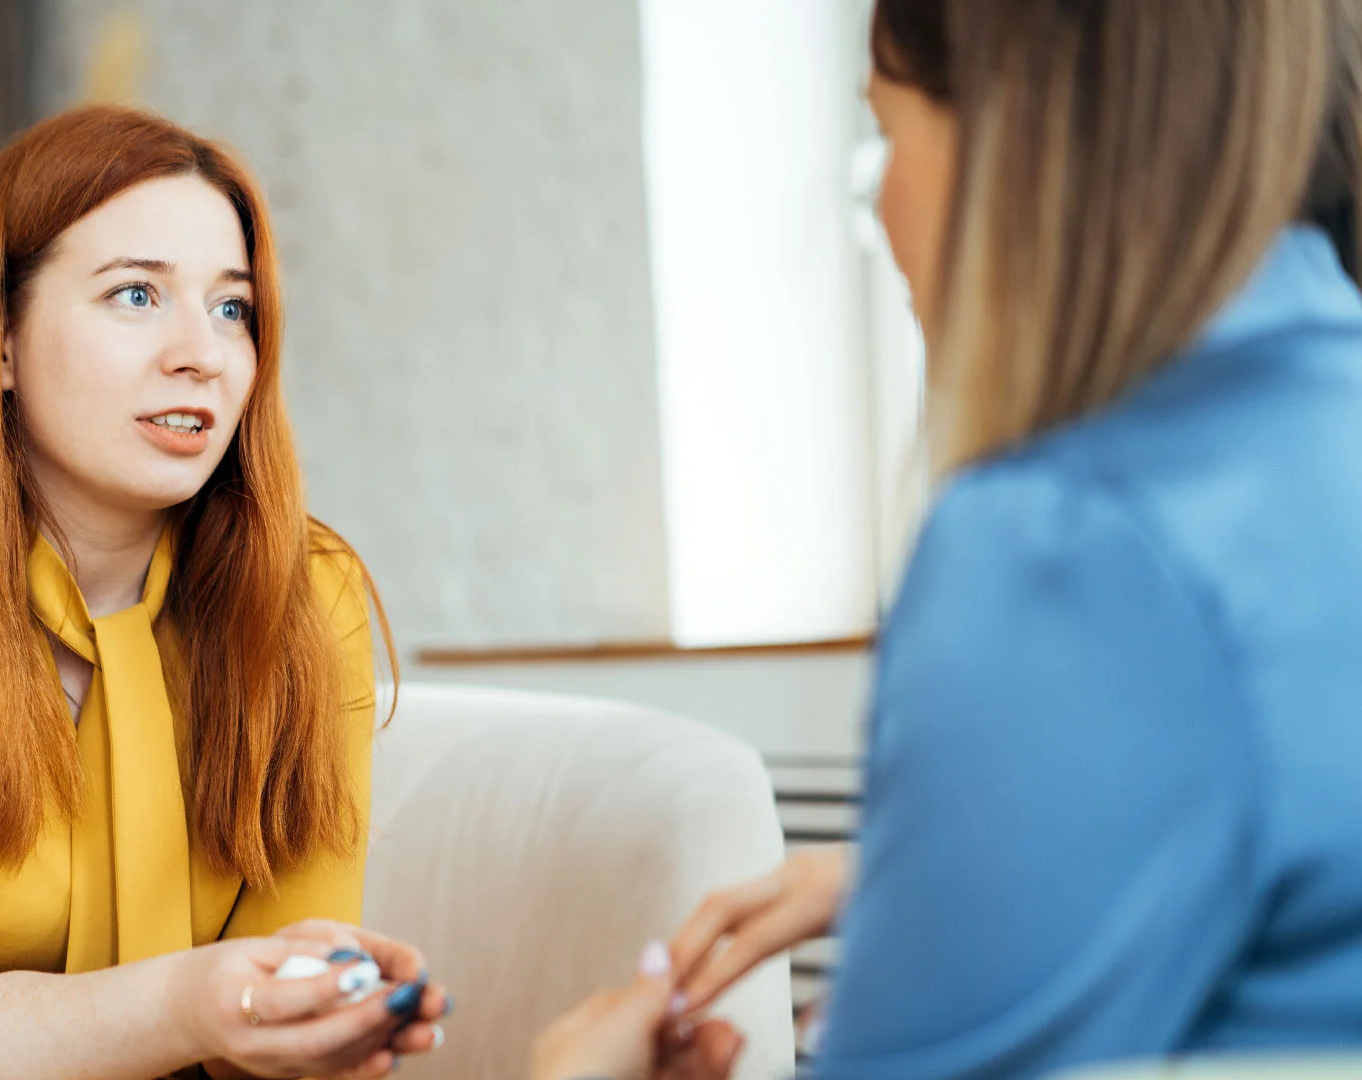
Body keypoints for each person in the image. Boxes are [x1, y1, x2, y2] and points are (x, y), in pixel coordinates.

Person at [535, 0, 1362, 1076]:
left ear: (1020, 130)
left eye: (887, 134)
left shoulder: (1070, 544)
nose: (880, 206)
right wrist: (924, 883)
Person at [0, 105, 446, 1080]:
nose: (203, 353)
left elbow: (266, 1004)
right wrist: (197, 1004)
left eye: (232, 309)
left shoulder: (307, 593)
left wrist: (315, 1015)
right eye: (137, 295)